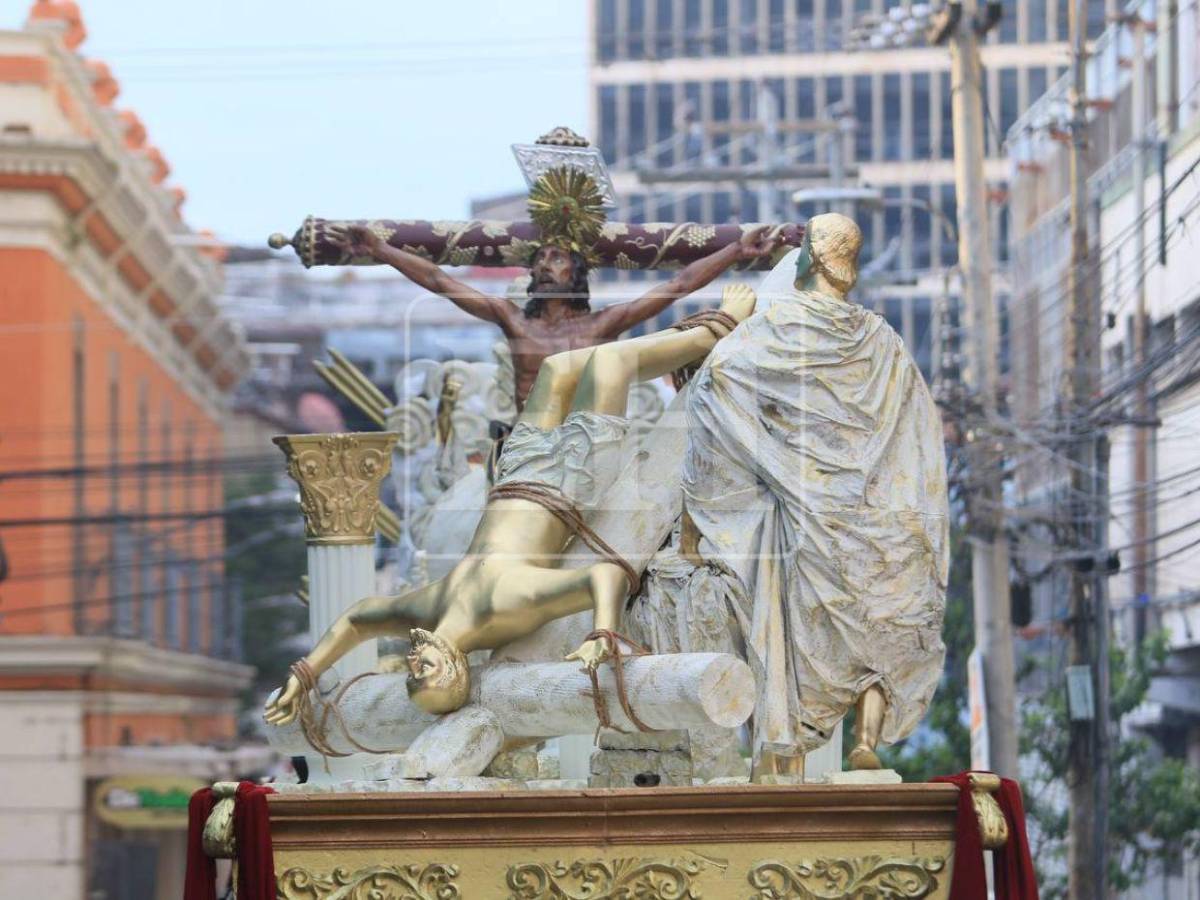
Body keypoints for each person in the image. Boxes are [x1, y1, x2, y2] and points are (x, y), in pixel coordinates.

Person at [264, 283, 760, 726]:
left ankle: (701, 337)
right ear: (457, 667)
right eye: (428, 677)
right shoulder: (503, 610)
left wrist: (305, 675)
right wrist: (603, 631)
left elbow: (357, 618)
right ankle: (716, 331)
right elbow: (602, 576)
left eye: (413, 679)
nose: (416, 670)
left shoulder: (430, 609)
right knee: (611, 363)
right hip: (570, 482)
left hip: (516, 476)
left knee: (556, 367)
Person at [679, 213, 949, 775]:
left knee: (803, 628)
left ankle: (790, 754)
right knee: (885, 619)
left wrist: (757, 461)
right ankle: (865, 738)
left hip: (809, 507)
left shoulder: (772, 327)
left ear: (806, 261)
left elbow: (715, 382)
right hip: (876, 512)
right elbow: (916, 429)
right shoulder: (881, 338)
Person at [328, 224, 779, 410]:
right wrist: (381, 249)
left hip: (593, 443)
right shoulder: (513, 319)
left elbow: (677, 286)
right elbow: (441, 283)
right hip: (528, 445)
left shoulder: (602, 325)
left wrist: (737, 250)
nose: (546, 265)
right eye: (540, 259)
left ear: (576, 274)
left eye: (558, 259)